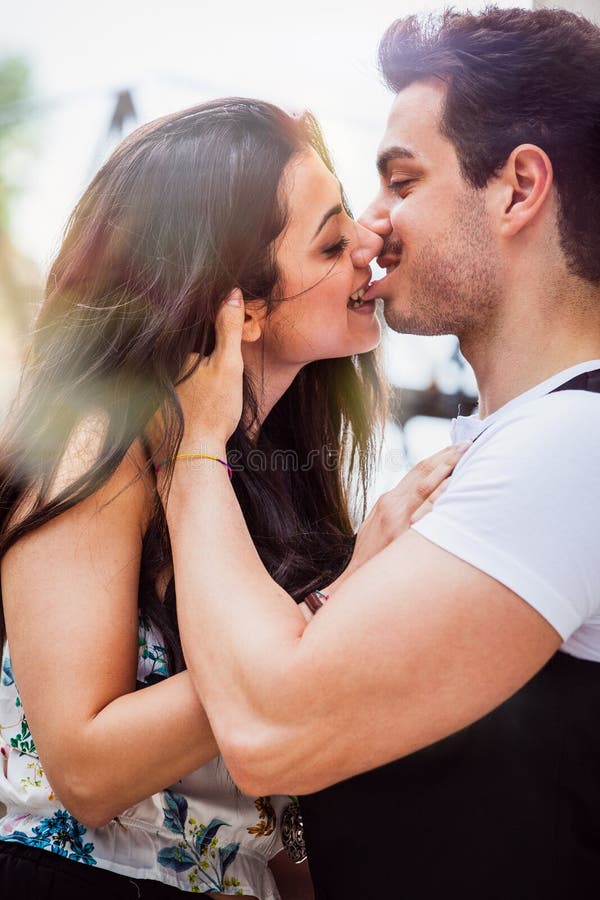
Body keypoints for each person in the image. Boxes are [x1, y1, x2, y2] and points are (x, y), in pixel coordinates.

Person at [154, 8, 600, 899]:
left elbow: (272, 730)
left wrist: (194, 444)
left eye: (402, 179)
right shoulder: (517, 444)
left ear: (517, 189)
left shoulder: (574, 446)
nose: (373, 224)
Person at [0, 97, 463, 898]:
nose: (369, 242)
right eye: (330, 238)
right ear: (238, 305)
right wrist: (339, 606)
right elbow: (85, 768)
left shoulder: (272, 467)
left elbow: (258, 795)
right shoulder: (99, 444)